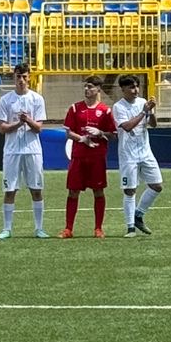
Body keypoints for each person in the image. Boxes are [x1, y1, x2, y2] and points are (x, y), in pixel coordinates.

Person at [0, 62, 49, 240]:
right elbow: (1, 127)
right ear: (14, 77)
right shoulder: (6, 100)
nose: (21, 80)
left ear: (29, 77)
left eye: (25, 76)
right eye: (18, 76)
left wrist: (28, 120)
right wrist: (18, 123)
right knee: (10, 190)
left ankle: (39, 228)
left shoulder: (37, 99)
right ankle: (7, 229)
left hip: (33, 150)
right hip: (12, 151)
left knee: (36, 189)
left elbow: (39, 127)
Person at [61, 76, 115, 238]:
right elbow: (68, 132)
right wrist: (82, 138)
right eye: (85, 86)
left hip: (97, 157)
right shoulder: (75, 108)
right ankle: (68, 229)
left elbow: (112, 134)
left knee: (98, 191)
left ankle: (98, 228)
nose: (87, 90)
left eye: (90, 87)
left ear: (98, 89)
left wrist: (100, 133)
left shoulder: (105, 111)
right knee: (73, 191)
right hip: (78, 156)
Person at [111, 73, 164, 237]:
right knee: (130, 190)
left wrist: (152, 112)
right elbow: (127, 127)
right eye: (131, 87)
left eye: (136, 86)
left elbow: (153, 125)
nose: (135, 90)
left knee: (157, 186)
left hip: (145, 152)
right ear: (123, 89)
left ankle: (138, 214)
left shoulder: (143, 103)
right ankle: (130, 228)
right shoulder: (118, 107)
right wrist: (143, 112)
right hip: (128, 154)